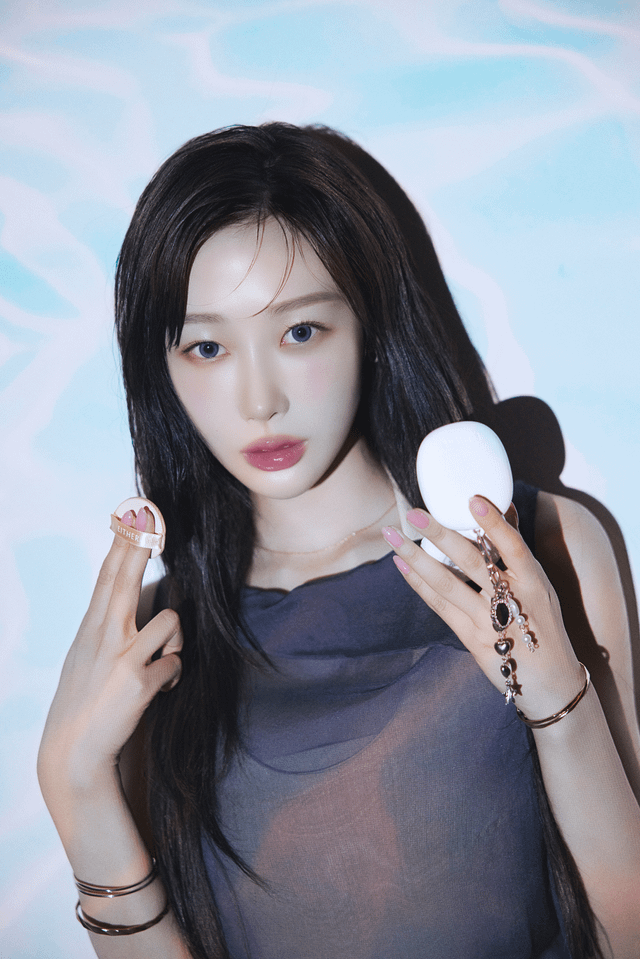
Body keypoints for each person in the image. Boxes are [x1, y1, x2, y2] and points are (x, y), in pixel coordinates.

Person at [38, 123, 640, 959]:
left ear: (368, 322)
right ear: (162, 369)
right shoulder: (150, 643)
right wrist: (73, 787)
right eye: (207, 347)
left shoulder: (541, 547)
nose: (260, 401)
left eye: (299, 333)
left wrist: (560, 707)